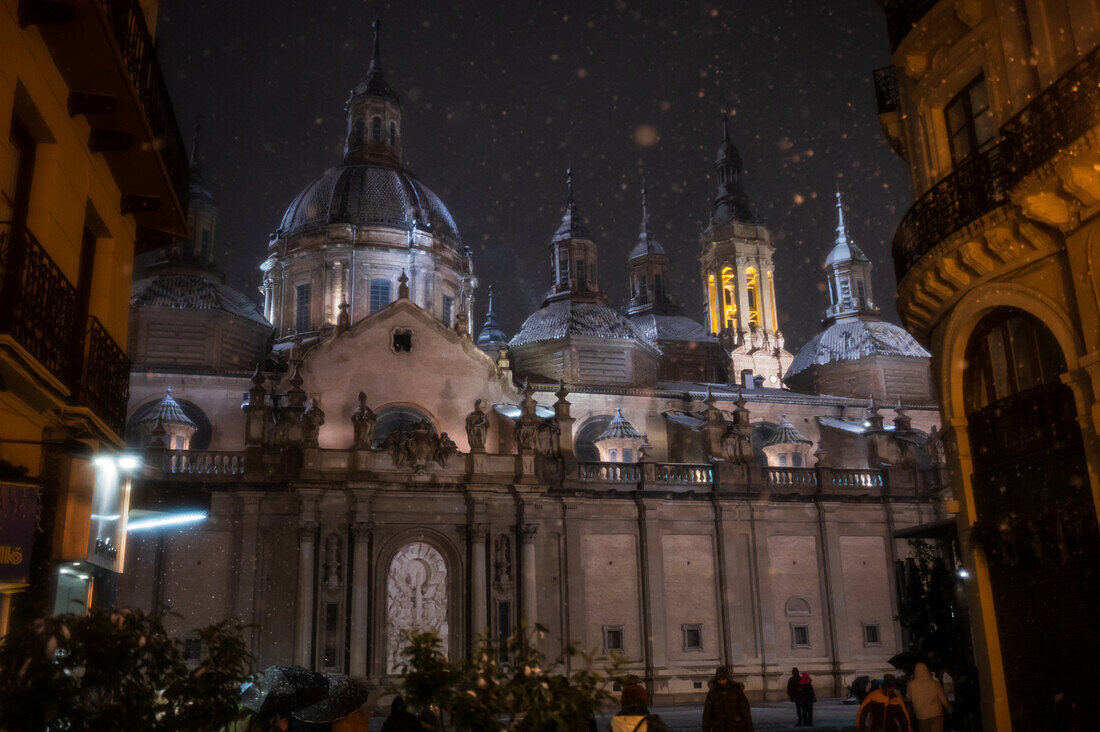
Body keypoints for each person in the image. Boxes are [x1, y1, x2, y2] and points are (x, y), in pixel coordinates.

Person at [702, 665, 754, 732]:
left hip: (735, 728)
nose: (721, 682)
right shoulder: (713, 692)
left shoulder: (736, 690)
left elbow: (745, 712)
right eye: (719, 680)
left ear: (727, 678)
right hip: (719, 728)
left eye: (723, 679)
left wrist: (749, 729)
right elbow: (707, 715)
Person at [905, 663, 952, 732]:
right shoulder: (934, 683)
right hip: (936, 714)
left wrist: (910, 680)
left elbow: (908, 698)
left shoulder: (911, 685)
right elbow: (943, 699)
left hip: (922, 716)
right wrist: (949, 709)